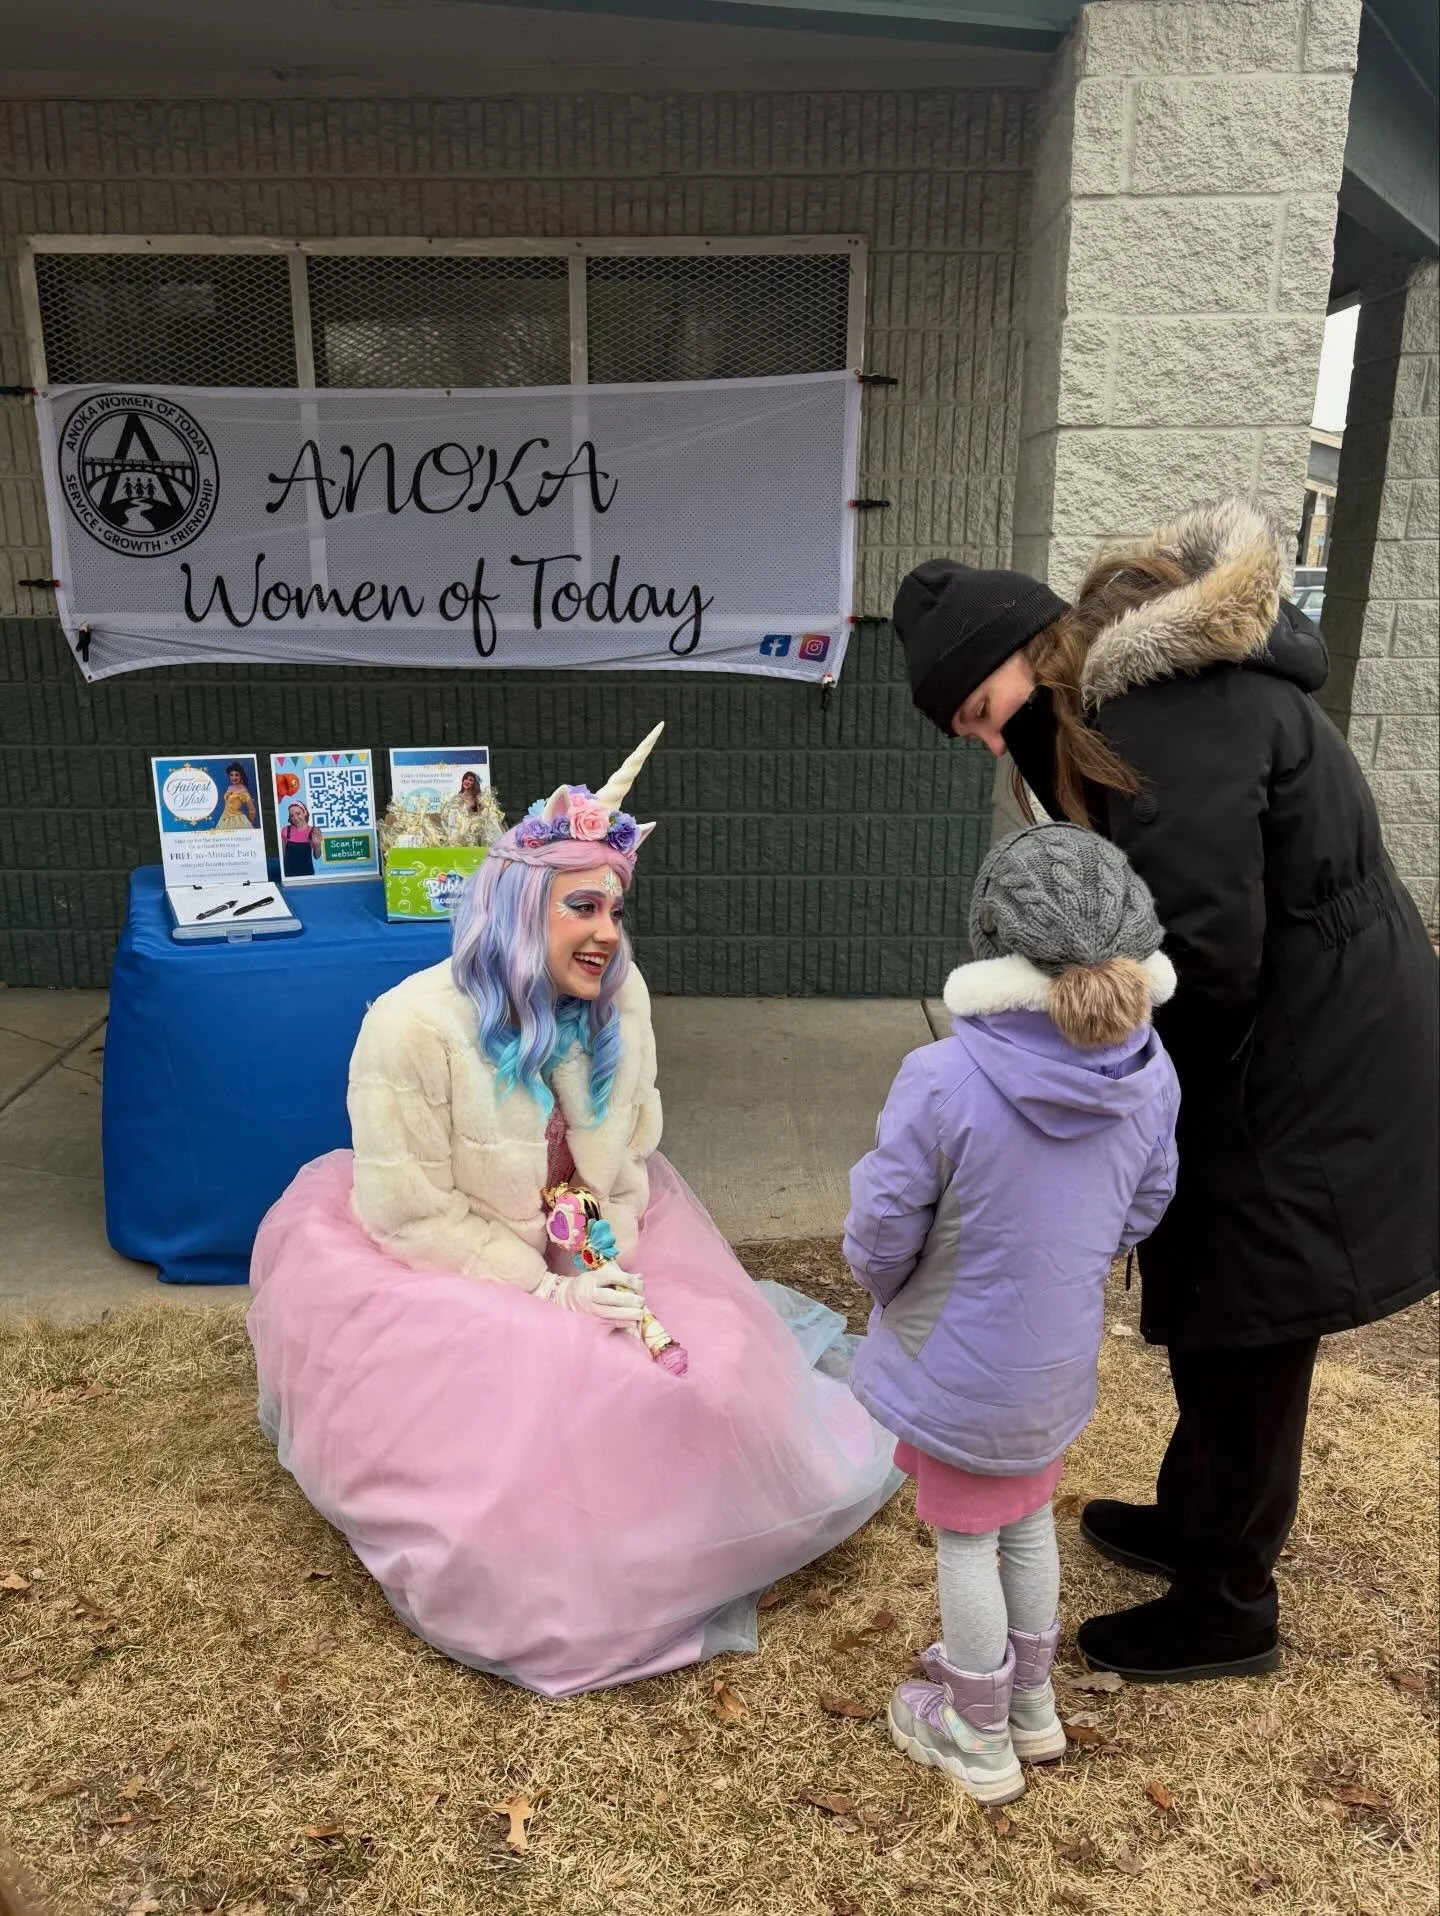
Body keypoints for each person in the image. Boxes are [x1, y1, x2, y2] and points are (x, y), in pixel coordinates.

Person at [891, 496, 1439, 1683]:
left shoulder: (1171, 716)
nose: (991, 744)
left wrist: (1081, 1084)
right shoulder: (1131, 705)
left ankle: (1229, 1600)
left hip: (1314, 1048)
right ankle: (1194, 1517)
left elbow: (1201, 953)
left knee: (1251, 1314)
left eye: (984, 716)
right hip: (1283, 1026)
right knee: (1211, 1289)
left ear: (1023, 658)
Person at [247, 724, 900, 1698]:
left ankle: (670, 1530)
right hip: (451, 1267)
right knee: (545, 1435)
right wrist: (543, 1294)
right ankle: (602, 1561)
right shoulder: (410, 1027)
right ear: (518, 909)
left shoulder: (615, 999)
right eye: (581, 906)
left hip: (580, 1232)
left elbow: (628, 1152)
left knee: (705, 1378)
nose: (606, 931)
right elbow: (409, 1216)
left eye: (617, 909)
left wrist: (602, 1250)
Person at [845, 825, 1179, 1804]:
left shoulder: (944, 1076)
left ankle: (976, 1729)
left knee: (965, 1540)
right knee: (1025, 1517)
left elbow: (880, 1228)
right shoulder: (1152, 1069)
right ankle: (1030, 1705)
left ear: (997, 938)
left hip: (956, 1355)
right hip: (1057, 1355)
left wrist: (886, 1286)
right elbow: (1144, 1205)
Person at [279, 800, 321, 878]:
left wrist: (317, 845)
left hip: (307, 875)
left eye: (298, 814)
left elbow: (317, 856)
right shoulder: (285, 830)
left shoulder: (314, 831)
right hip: (288, 876)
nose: (295, 818)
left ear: (305, 813)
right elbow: (283, 854)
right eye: (292, 816)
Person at [214, 761, 258, 830]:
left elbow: (252, 809)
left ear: (241, 776)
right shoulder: (229, 787)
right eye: (231, 775)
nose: (234, 777)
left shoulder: (243, 790)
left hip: (237, 820)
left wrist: (250, 821)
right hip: (224, 819)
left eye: (236, 775)